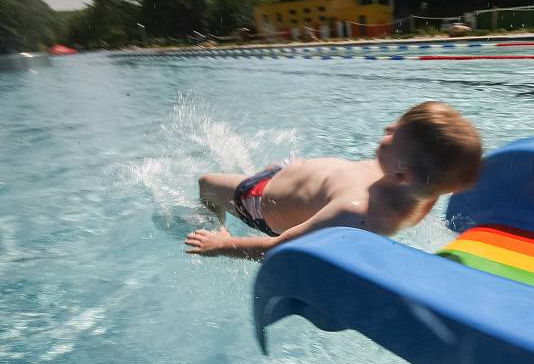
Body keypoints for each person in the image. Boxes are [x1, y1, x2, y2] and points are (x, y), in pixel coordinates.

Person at [185, 101, 482, 260]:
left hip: (260, 199)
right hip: (290, 175)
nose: (388, 127)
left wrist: (222, 244)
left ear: (402, 175)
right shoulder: (423, 190)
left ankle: (217, 223)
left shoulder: (356, 211)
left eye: (393, 135)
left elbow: (278, 248)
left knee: (206, 183)